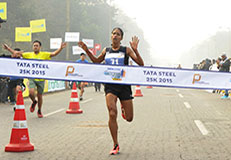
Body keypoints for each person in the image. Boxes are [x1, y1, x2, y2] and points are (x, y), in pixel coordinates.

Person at [78, 27, 144, 155]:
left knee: (129, 118)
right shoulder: (106, 51)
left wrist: (136, 50)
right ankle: (115, 144)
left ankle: (123, 107)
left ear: (121, 38)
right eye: (113, 33)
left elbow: (141, 65)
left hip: (124, 86)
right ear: (110, 36)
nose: (115, 36)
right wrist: (87, 50)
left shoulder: (126, 50)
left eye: (118, 34)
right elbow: (96, 61)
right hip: (110, 86)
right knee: (112, 113)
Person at [3, 40, 67, 118]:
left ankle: (39, 110)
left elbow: (54, 54)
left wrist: (60, 48)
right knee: (31, 93)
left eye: (37, 46)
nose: (35, 47)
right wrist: (8, 49)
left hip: (41, 79)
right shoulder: (29, 54)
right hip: (32, 78)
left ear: (40, 47)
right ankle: (34, 101)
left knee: (40, 96)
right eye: (34, 46)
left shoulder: (44, 54)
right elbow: (17, 53)